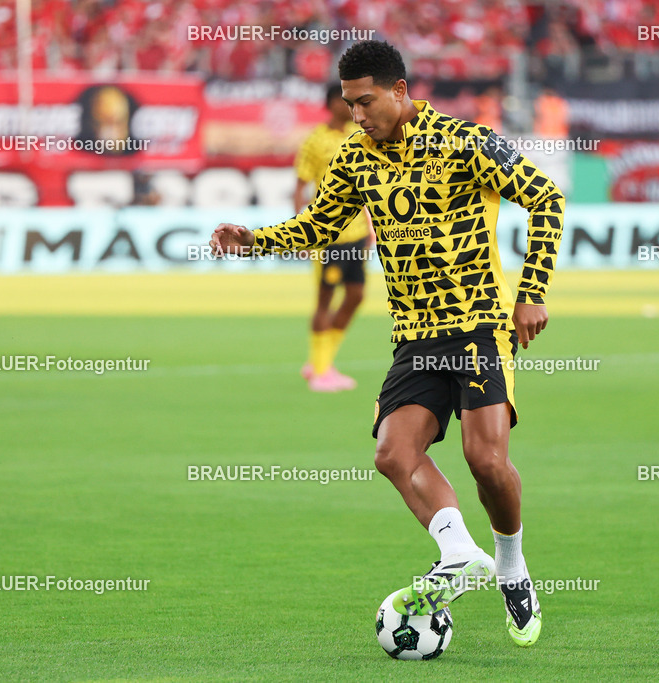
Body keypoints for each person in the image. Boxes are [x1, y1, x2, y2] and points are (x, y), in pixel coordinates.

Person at [209, 40, 564, 646]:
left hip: (478, 324)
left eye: (366, 102)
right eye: (349, 105)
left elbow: (546, 197)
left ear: (400, 91)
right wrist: (255, 239)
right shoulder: (354, 155)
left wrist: (531, 291)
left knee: (486, 461)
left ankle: (511, 563)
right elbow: (320, 225)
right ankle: (462, 554)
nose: (357, 115)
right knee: (393, 454)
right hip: (414, 336)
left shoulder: (465, 140)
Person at [295, 84, 375, 392]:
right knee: (325, 300)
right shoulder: (315, 141)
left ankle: (321, 362)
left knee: (356, 296)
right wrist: (301, 233)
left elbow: (364, 188)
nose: (353, 108)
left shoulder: (357, 139)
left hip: (355, 234)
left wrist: (369, 226)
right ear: (331, 104)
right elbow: (300, 186)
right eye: (346, 102)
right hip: (329, 235)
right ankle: (320, 371)